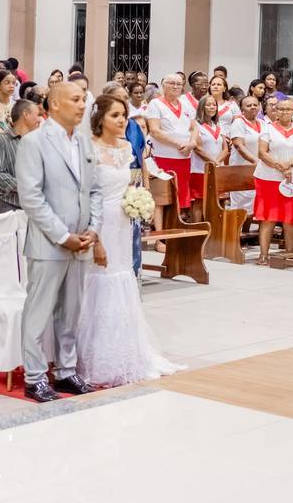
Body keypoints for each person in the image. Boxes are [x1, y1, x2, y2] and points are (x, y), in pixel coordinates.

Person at [76, 94, 183, 387]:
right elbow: (85, 195)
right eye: (115, 115)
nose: (122, 120)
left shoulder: (125, 148)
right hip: (100, 222)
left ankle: (126, 350)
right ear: (99, 119)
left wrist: (138, 201)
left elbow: (132, 182)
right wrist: (94, 237)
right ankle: (94, 355)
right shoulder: (89, 149)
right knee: (99, 277)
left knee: (123, 275)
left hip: (123, 221)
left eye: (123, 114)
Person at [16, 82, 102, 402]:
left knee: (71, 311)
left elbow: (94, 190)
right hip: (50, 243)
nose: (82, 105)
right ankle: (35, 375)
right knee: (39, 311)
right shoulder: (34, 142)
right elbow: (32, 197)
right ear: (53, 105)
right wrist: (63, 236)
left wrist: (93, 228)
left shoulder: (84, 143)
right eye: (75, 100)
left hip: (81, 242)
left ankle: (66, 371)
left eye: (83, 100)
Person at [253, 98, 293, 265]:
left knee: (290, 217)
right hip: (269, 178)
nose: (285, 112)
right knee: (268, 217)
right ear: (275, 111)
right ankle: (263, 254)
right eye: (281, 109)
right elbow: (262, 153)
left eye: (288, 109)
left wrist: (290, 164)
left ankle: (288, 254)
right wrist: (280, 167)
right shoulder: (267, 129)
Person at [146, 73, 197, 212]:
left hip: (184, 158)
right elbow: (155, 131)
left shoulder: (186, 105)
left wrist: (191, 143)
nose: (175, 86)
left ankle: (177, 225)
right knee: (163, 197)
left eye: (178, 84)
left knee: (181, 196)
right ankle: (163, 229)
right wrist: (179, 144)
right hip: (163, 158)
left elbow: (194, 127)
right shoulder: (155, 104)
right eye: (171, 83)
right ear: (163, 85)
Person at [0, 99, 40, 212]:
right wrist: (25, 187)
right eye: (37, 115)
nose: (39, 119)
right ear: (25, 114)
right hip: (10, 205)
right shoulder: (1, 140)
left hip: (35, 205)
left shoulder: (38, 140)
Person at [189, 95, 228, 218]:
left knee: (215, 201)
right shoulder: (196, 125)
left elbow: (225, 149)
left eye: (214, 105)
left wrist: (217, 162)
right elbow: (197, 148)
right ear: (201, 107)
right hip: (201, 169)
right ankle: (198, 231)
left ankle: (213, 229)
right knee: (199, 201)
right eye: (208, 104)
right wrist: (213, 161)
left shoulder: (218, 126)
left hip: (217, 169)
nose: (212, 107)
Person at [228, 95, 263, 214]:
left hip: (259, 170)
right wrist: (255, 161)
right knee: (241, 206)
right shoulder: (238, 122)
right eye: (248, 105)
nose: (252, 107)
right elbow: (239, 145)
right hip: (242, 169)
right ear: (242, 109)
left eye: (255, 105)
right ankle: (236, 232)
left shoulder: (262, 123)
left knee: (255, 205)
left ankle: (249, 231)